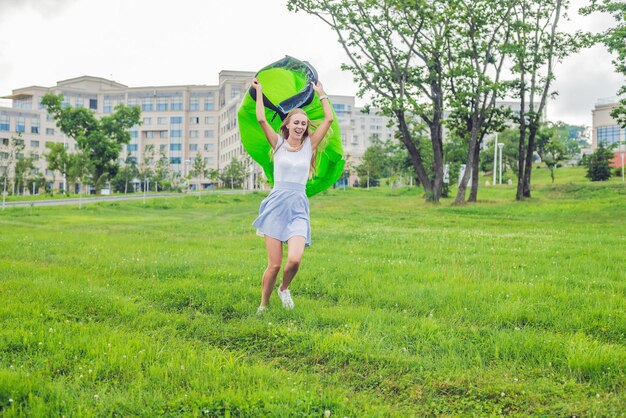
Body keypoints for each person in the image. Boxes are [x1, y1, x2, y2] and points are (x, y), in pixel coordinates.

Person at [251, 77, 333, 314]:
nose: (300, 127)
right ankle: (264, 305)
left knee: (294, 260)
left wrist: (322, 93)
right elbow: (261, 119)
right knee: (274, 264)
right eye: (296, 122)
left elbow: (328, 119)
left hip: (298, 207)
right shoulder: (278, 144)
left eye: (304, 124)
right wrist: (259, 91)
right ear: (287, 125)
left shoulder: (310, 146)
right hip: (276, 206)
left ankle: (284, 289)